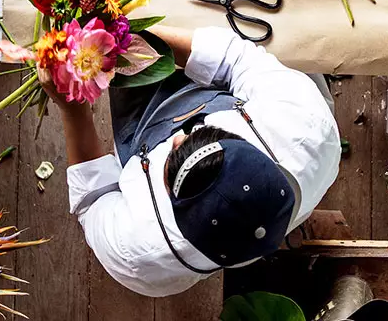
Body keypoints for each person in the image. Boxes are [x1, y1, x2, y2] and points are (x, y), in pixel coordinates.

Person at [39, 25, 341, 297]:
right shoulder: (306, 124)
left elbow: (93, 198)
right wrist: (127, 36)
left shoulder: (138, 254)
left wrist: (72, 108)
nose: (177, 138)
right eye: (201, 134)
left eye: (171, 157)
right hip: (242, 94)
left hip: (147, 129)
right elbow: (235, 59)